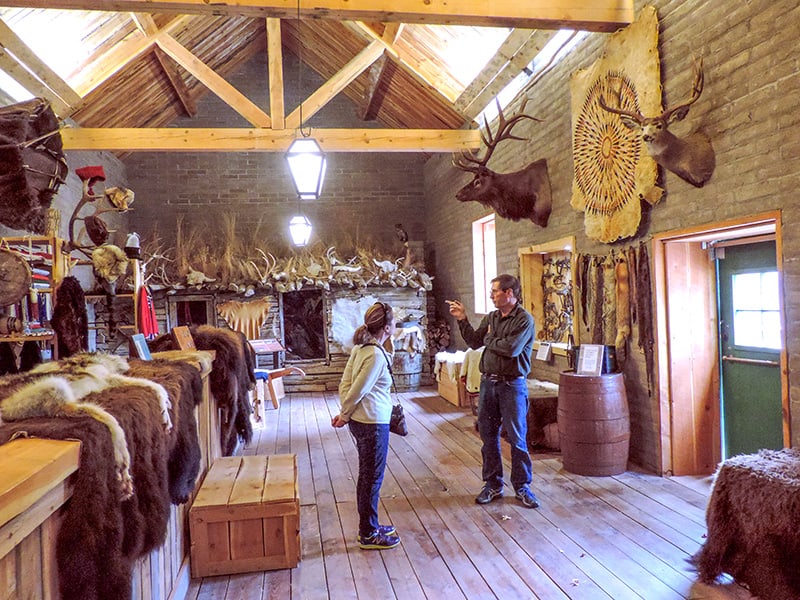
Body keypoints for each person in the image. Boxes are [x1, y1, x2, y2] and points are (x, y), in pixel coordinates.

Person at [447, 274, 539, 509]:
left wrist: (490, 338)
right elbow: (475, 342)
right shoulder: (492, 317)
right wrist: (463, 319)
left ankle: (522, 486)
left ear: (510, 293)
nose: (491, 295)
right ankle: (493, 484)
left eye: (496, 291)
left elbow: (511, 349)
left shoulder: (524, 320)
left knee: (517, 438)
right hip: (489, 384)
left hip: (512, 385)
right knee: (488, 437)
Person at [332, 301, 401, 550]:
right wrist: (345, 414)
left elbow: (345, 385)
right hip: (372, 422)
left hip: (364, 421)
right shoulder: (373, 355)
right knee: (371, 479)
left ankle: (371, 524)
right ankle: (369, 533)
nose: (395, 327)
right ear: (386, 327)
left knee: (368, 476)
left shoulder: (362, 349)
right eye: (393, 324)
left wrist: (347, 412)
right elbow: (357, 390)